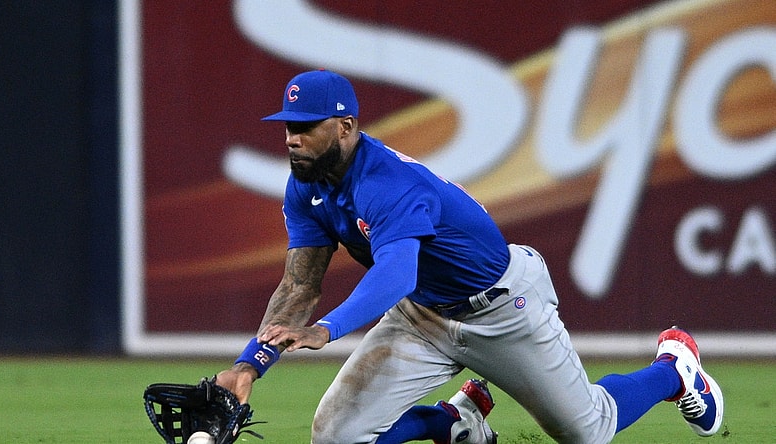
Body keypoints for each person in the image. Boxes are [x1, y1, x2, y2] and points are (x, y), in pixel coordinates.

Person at [216, 69, 724, 443]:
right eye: (287, 126)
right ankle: (455, 422)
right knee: (335, 438)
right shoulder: (306, 186)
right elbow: (300, 284)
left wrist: (326, 330)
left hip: (502, 307)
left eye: (307, 125)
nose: (292, 138)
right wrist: (248, 365)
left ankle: (674, 369)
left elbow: (396, 271)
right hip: (422, 316)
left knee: (590, 431)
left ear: (345, 127)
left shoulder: (388, 182)